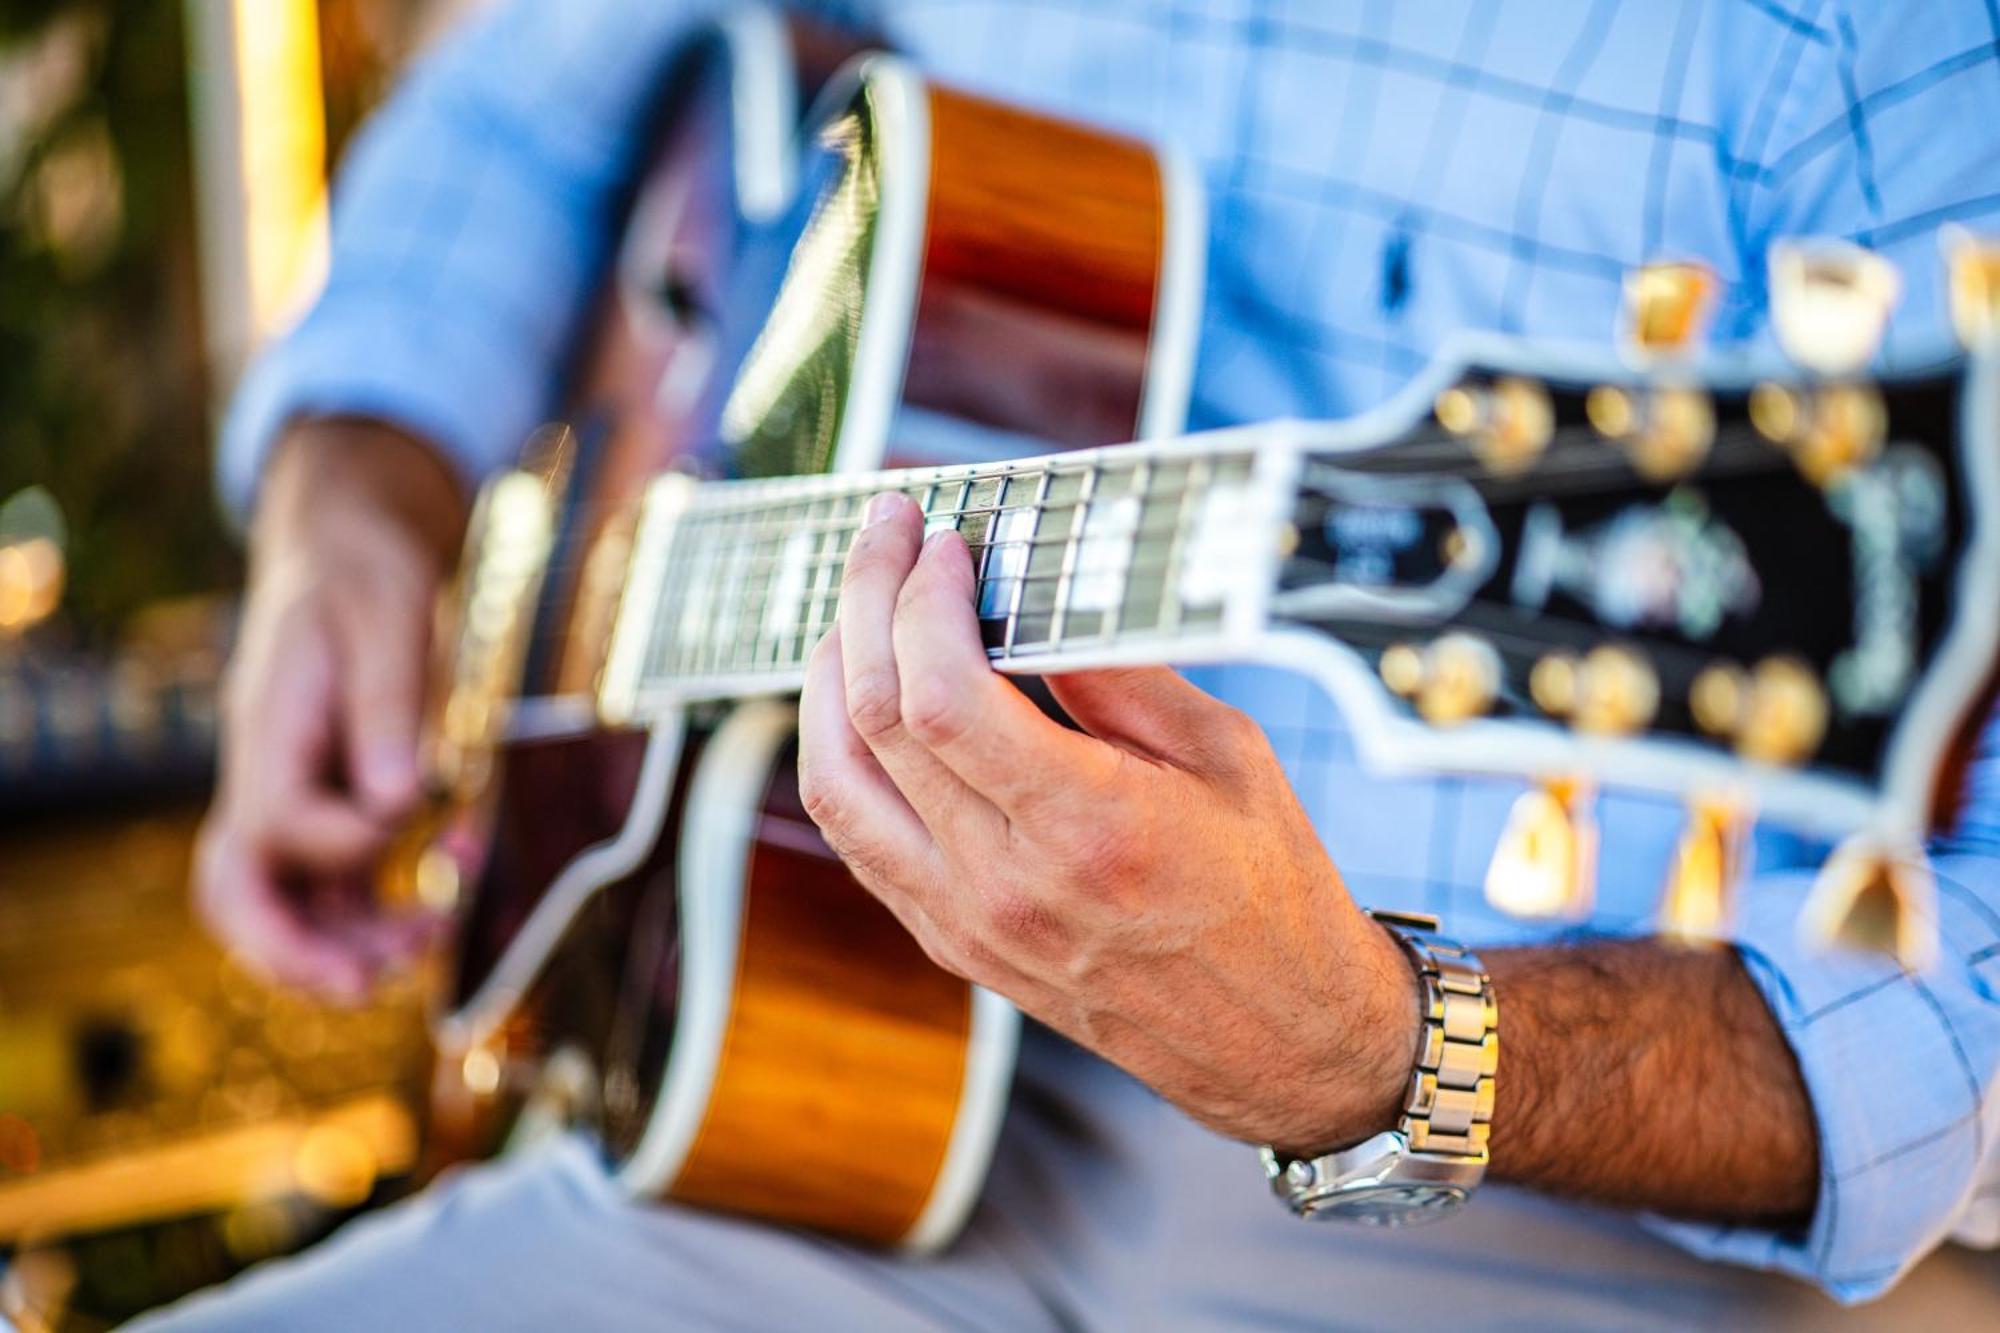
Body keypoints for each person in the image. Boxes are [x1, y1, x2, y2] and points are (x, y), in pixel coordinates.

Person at [157, 2, 2000, 1327]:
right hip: (810, 1051)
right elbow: (514, 97)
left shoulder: (1891, 51)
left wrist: (1381, 1050)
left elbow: (1971, 1003)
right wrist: (355, 500)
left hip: (1508, 1198)